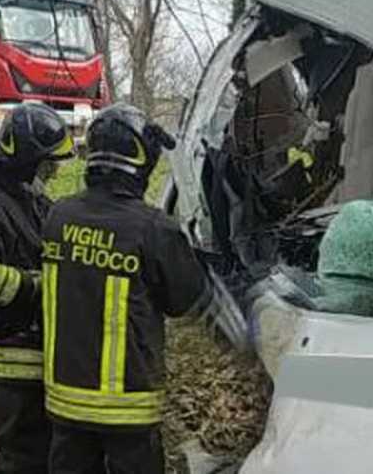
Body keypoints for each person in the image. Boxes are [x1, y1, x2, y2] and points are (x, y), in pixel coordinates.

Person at [40, 103, 248, 474]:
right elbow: (186, 299)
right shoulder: (152, 228)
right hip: (127, 407)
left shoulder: (57, 216)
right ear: (140, 161)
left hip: (64, 402)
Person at [0, 103, 75, 474]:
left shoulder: (34, 203)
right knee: (20, 460)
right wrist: (37, 287)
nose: (52, 172)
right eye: (46, 164)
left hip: (39, 353)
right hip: (10, 360)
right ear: (25, 163)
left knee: (45, 454)